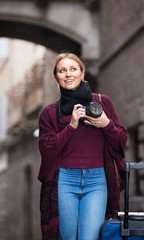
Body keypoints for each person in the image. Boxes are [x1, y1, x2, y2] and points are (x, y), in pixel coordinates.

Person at [38, 52, 128, 240]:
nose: (68, 74)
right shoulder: (48, 113)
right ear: (57, 76)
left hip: (96, 181)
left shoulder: (102, 103)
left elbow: (120, 142)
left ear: (82, 73)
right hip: (64, 181)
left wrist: (106, 125)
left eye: (73, 69)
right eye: (62, 70)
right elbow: (48, 151)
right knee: (68, 237)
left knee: (90, 237)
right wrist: (71, 126)